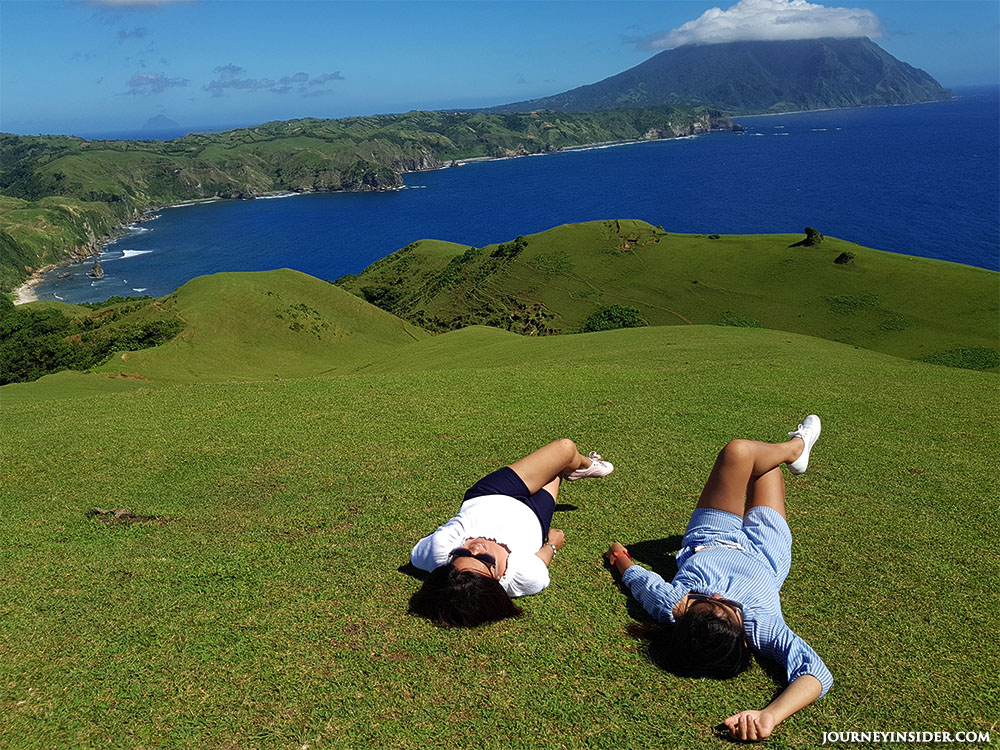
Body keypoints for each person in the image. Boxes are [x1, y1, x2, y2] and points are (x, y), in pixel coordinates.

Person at [604, 415, 831, 742]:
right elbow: (816, 674)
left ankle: (795, 448)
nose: (720, 598)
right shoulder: (763, 627)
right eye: (728, 611)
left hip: (710, 534)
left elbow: (641, 582)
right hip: (766, 547)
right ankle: (796, 449)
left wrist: (620, 557)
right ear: (744, 640)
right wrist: (770, 715)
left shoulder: (675, 607)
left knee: (738, 452)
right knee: (765, 467)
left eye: (705, 602)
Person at [410, 438, 614, 627]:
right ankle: (576, 467)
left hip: (492, 494)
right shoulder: (524, 577)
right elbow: (541, 561)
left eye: (462, 553)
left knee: (565, 449)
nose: (476, 547)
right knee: (557, 469)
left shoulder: (438, 550)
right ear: (498, 579)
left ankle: (586, 465)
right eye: (485, 559)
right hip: (535, 515)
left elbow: (418, 556)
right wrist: (552, 544)